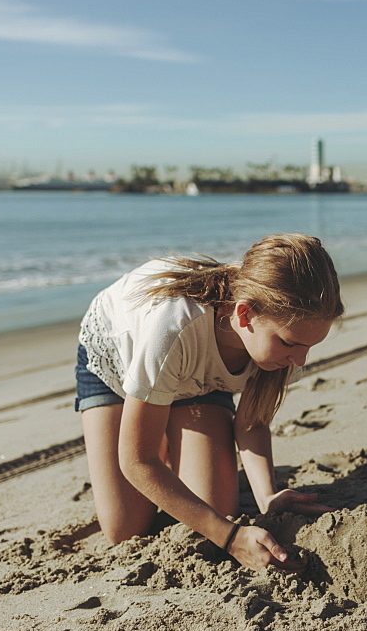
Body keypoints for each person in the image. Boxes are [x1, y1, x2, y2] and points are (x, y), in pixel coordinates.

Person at [74, 233, 344, 572]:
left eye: (309, 347)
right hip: (116, 364)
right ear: (245, 316)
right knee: (124, 529)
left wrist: (267, 496)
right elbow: (137, 461)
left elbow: (252, 421)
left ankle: (166, 425)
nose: (301, 361)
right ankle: (157, 427)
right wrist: (232, 539)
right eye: (293, 344)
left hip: (198, 380)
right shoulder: (172, 330)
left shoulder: (281, 342)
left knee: (216, 508)